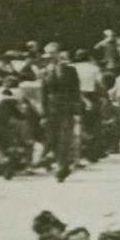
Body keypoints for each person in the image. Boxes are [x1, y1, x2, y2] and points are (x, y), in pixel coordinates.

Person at [40, 44, 82, 182]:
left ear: (59, 54)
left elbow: (76, 91)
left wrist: (77, 110)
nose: (50, 56)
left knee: (64, 138)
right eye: (47, 54)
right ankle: (62, 163)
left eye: (52, 53)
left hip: (66, 107)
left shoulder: (70, 70)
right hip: (51, 108)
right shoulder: (45, 71)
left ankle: (62, 167)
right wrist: (44, 114)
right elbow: (43, 94)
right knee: (53, 138)